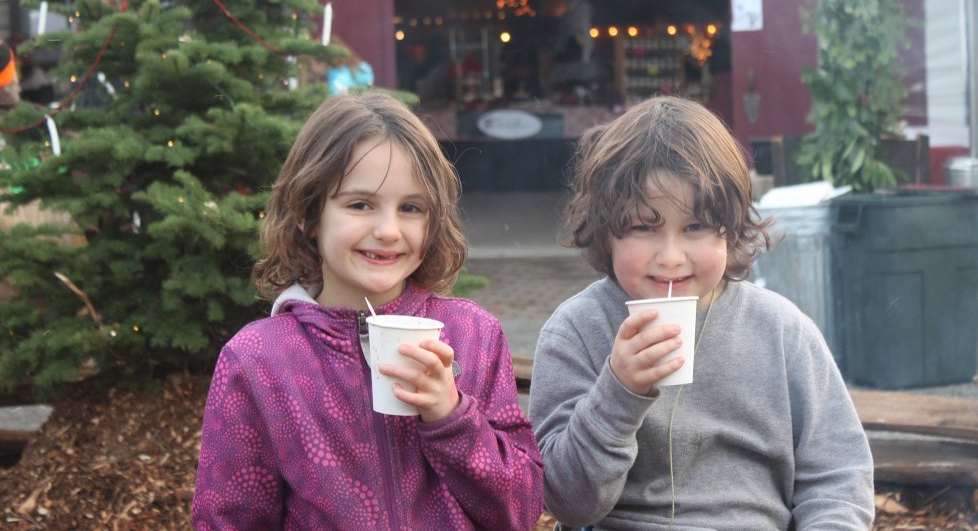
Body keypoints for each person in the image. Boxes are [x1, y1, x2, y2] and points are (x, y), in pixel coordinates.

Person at [191, 92, 544, 530]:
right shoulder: (258, 361)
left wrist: (451, 415)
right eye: (360, 204)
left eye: (411, 208)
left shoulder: (474, 335)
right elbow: (228, 520)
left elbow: (521, 510)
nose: (388, 230)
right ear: (309, 212)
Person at [528, 96, 874, 530]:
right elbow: (568, 501)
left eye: (695, 227)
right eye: (643, 226)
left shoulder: (782, 331)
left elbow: (838, 477)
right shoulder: (576, 331)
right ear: (604, 231)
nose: (671, 257)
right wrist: (619, 391)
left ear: (730, 228)